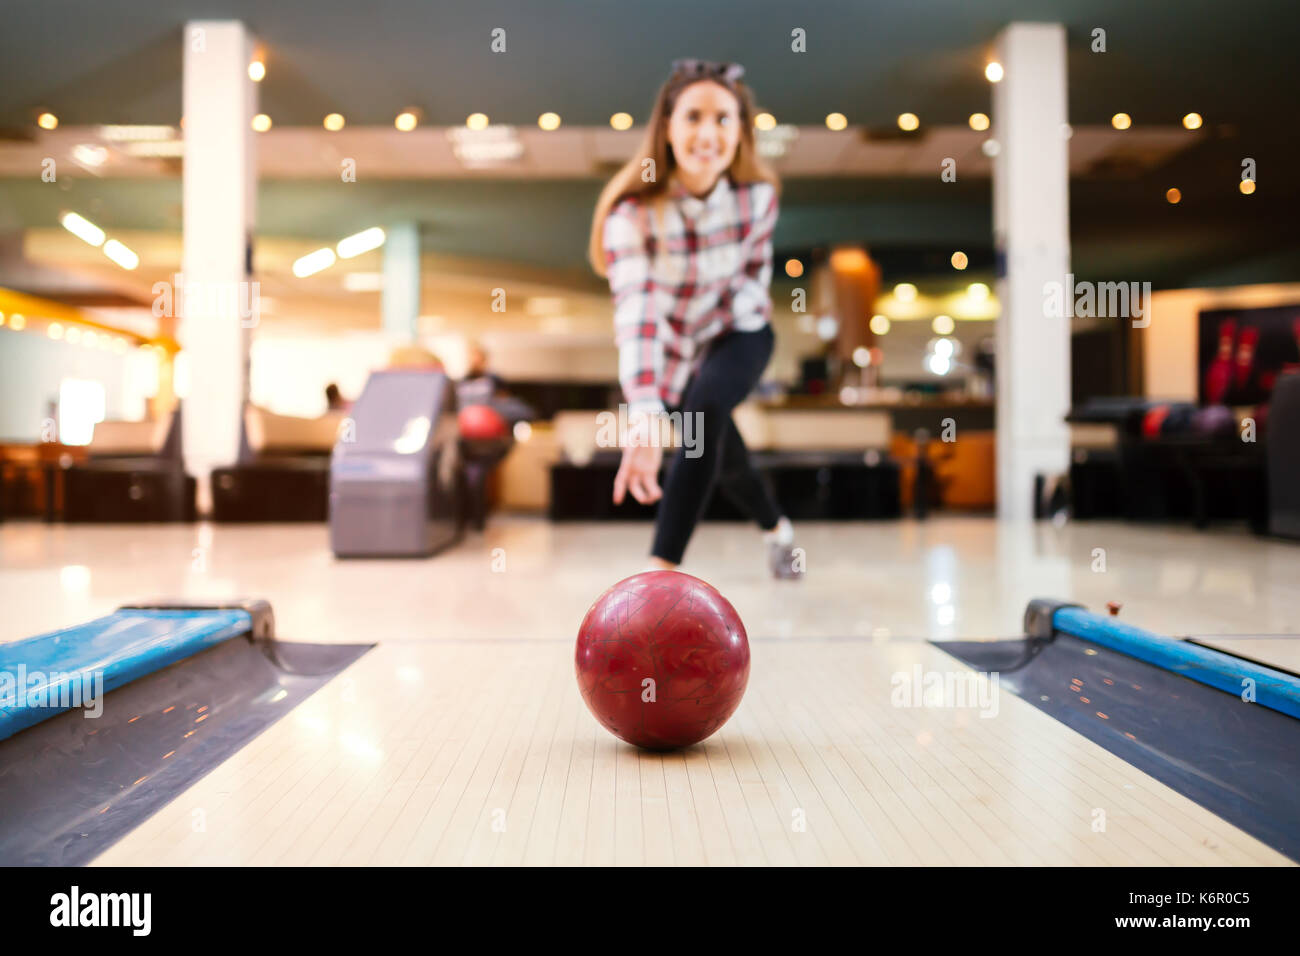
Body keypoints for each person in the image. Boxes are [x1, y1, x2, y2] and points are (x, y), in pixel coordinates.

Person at [589, 58, 801, 579]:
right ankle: (780, 532)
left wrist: (692, 389)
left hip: (740, 332)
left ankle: (659, 573)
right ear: (666, 127)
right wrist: (644, 408)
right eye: (693, 117)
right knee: (723, 454)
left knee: (702, 412)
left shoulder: (758, 200)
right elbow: (637, 311)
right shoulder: (632, 215)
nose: (708, 132)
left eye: (724, 119)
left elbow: (753, 276)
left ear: (741, 132)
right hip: (677, 353)